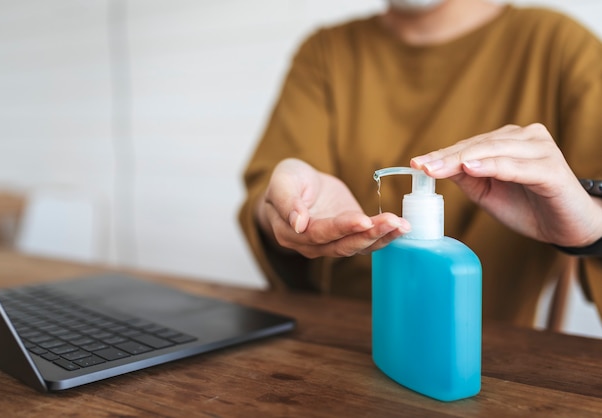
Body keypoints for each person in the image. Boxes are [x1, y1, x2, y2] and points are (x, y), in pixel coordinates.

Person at [239, 0, 602, 327]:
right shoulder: (325, 52)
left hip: (496, 357)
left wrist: (591, 228)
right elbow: (266, 196)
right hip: (336, 339)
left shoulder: (558, 46)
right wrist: (283, 209)